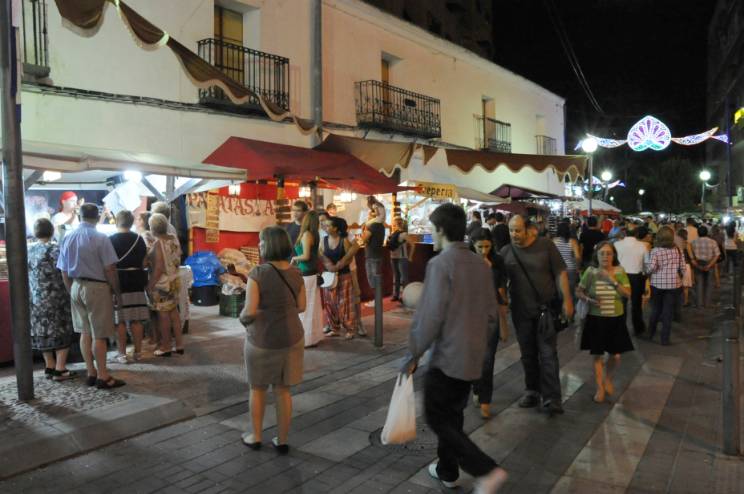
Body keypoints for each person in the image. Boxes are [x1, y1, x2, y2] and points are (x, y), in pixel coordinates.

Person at [401, 203, 508, 493]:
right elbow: (491, 314)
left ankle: (486, 470)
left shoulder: (440, 264)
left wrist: (413, 353)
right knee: (452, 416)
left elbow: (429, 317)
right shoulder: (480, 264)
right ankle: (447, 470)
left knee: (437, 416)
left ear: (441, 230)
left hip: (447, 357)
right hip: (472, 356)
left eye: (432, 229)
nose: (431, 234)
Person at [239, 226, 306, 454]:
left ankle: (256, 436)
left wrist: (243, 318)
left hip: (262, 338)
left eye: (261, 241)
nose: (259, 245)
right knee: (283, 390)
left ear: (269, 245)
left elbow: (249, 311)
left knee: (257, 388)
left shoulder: (258, 273)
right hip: (292, 337)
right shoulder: (296, 273)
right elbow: (302, 306)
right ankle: (282, 440)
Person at [501, 215, 573, 415]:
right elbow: (499, 280)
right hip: (520, 312)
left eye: (518, 230)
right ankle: (532, 391)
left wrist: (567, 300)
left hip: (545, 311)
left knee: (548, 354)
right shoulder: (506, 252)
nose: (514, 234)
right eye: (511, 230)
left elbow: (560, 273)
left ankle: (552, 398)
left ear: (528, 229)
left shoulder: (545, 245)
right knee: (528, 354)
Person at [57, 203, 125, 389]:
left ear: (80, 216)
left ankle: (91, 372)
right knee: (99, 334)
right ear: (96, 218)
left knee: (84, 332)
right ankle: (103, 376)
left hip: (76, 285)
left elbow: (63, 270)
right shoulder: (101, 238)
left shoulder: (68, 237)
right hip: (97, 287)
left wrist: (71, 290)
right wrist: (116, 292)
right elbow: (110, 269)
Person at [576, 241, 633, 403]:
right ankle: (600, 387)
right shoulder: (591, 272)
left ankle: (608, 379)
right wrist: (589, 300)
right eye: (602, 253)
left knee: (616, 356)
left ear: (613, 255)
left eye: (609, 253)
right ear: (597, 255)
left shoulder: (620, 271)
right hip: (596, 319)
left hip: (616, 319)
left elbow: (628, 294)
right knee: (597, 355)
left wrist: (612, 280)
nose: (605, 257)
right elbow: (579, 291)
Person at [28, 218, 76, 381]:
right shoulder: (56, 250)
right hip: (57, 298)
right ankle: (60, 368)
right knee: (62, 329)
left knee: (43, 331)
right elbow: (66, 271)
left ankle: (49, 365)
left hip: (36, 299)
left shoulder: (30, 250)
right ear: (52, 231)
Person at [470, 229, 509, 419]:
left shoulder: (497, 261)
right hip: (469, 317)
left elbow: (501, 291)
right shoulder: (466, 261)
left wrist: (504, 322)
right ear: (472, 245)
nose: (484, 251)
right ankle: (477, 388)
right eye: (480, 247)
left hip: (490, 316)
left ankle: (485, 400)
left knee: (487, 359)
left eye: (487, 246)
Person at [110, 210, 149, 363]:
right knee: (136, 319)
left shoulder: (110, 240)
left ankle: (122, 354)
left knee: (119, 320)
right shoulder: (139, 239)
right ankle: (138, 353)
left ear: (117, 221)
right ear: (131, 222)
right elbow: (144, 262)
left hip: (119, 281)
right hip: (137, 280)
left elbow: (109, 264)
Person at [147, 213, 183, 356]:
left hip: (163, 284)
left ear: (152, 228)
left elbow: (159, 267)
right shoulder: (173, 238)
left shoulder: (158, 243)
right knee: (174, 313)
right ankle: (179, 344)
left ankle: (166, 347)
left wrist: (150, 285)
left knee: (163, 315)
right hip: (175, 280)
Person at [645, 226, 686, 345]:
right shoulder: (678, 250)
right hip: (674, 284)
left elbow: (651, 268)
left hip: (657, 284)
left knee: (656, 310)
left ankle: (650, 333)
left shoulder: (655, 251)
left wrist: (646, 271)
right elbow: (683, 268)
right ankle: (665, 339)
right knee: (668, 312)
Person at [320, 217, 358, 339]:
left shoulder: (344, 240)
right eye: (325, 225)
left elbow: (349, 258)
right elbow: (320, 254)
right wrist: (328, 264)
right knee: (330, 302)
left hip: (343, 275)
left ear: (335, 228)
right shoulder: (323, 240)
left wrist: (340, 264)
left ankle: (350, 328)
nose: (325, 227)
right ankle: (334, 328)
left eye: (328, 225)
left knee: (345, 303)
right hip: (329, 276)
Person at [290, 210, 324, 347]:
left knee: (305, 308)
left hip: (306, 274)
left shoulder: (307, 234)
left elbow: (306, 256)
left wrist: (294, 258)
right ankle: (312, 337)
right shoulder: (315, 234)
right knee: (312, 307)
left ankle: (306, 339)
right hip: (311, 273)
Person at [614, 226, 650, 335]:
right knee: (636, 304)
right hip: (636, 277)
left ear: (625, 233)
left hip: (620, 276)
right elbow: (647, 264)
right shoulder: (642, 246)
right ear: (636, 234)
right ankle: (638, 328)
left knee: (621, 303)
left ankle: (620, 328)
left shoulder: (616, 244)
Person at [358, 212, 386, 307]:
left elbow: (363, 239)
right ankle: (377, 300)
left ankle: (377, 301)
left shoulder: (372, 226)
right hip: (377, 255)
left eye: (369, 215)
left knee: (373, 279)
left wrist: (363, 230)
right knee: (376, 279)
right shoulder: (381, 226)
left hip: (372, 256)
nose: (367, 217)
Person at [690, 226, 720, 309]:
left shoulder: (693, 242)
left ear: (698, 233)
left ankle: (699, 304)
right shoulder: (713, 242)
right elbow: (717, 255)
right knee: (709, 284)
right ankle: (707, 304)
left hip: (698, 263)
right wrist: (709, 265)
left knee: (699, 284)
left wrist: (697, 265)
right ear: (707, 233)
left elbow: (692, 256)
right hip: (710, 262)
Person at [553, 222, 581, 297]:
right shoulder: (573, 241)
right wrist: (578, 268)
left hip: (559, 269)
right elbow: (577, 257)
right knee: (571, 292)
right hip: (571, 269)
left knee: (561, 291)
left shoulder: (554, 241)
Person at [388, 217, 410, 302]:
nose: (393, 225)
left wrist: (410, 256)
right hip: (397, 257)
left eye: (394, 224)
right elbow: (412, 245)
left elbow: (412, 244)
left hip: (400, 257)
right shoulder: (395, 233)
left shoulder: (401, 234)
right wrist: (410, 256)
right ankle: (399, 295)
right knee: (400, 277)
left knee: (401, 277)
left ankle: (402, 295)